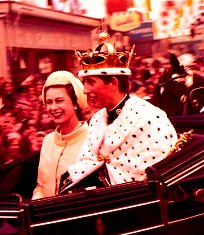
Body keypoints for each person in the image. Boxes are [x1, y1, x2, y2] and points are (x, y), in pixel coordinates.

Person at [61, 32, 178, 192]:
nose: (85, 90)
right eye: (84, 82)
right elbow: (87, 163)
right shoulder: (96, 120)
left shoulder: (151, 118)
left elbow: (162, 175)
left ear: (113, 83)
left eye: (90, 82)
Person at [32, 71, 88, 200]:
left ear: (75, 103)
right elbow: (41, 185)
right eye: (49, 102)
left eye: (59, 101)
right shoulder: (48, 140)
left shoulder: (91, 139)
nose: (53, 107)